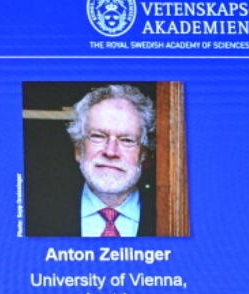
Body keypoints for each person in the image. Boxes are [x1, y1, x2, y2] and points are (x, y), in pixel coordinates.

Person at [28, 83, 157, 237]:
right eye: (98, 136)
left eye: (127, 140)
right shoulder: (36, 214)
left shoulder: (168, 218)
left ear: (145, 155)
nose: (111, 152)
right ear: (78, 149)